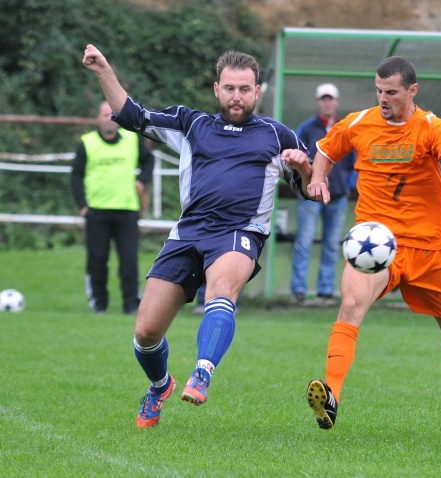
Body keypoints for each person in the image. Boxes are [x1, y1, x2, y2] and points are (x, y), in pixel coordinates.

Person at [82, 44, 313, 428]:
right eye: (229, 88)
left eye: (245, 89)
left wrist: (305, 170)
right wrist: (104, 69)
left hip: (240, 232)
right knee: (145, 332)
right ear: (216, 89)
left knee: (221, 291)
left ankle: (202, 371)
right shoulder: (191, 124)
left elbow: (311, 190)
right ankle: (160, 386)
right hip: (188, 233)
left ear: (257, 92)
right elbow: (131, 114)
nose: (237, 96)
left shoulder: (277, 135)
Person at [304, 56, 441, 438]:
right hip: (375, 243)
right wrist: (318, 178)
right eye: (379, 90)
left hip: (429, 248)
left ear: (412, 90)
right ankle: (331, 397)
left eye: (391, 92)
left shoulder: (430, 126)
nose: (383, 98)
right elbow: (326, 152)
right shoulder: (359, 123)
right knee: (350, 305)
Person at [70, 101, 154, 315]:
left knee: (129, 261)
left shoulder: (131, 139)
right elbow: (76, 176)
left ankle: (131, 304)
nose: (108, 119)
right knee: (97, 260)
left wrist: (142, 180)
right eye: (104, 115)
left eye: (112, 115)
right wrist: (83, 206)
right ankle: (99, 304)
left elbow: (149, 161)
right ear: (98, 118)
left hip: (127, 209)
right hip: (97, 211)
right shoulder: (88, 143)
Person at [291, 83, 356, 305]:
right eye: (323, 99)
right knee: (304, 242)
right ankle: (299, 290)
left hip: (337, 196)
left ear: (336, 102)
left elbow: (356, 159)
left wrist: (349, 184)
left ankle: (325, 291)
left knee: (331, 244)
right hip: (310, 196)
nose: (327, 103)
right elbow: (296, 157)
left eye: (330, 99)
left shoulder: (345, 129)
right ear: (319, 102)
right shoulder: (306, 129)